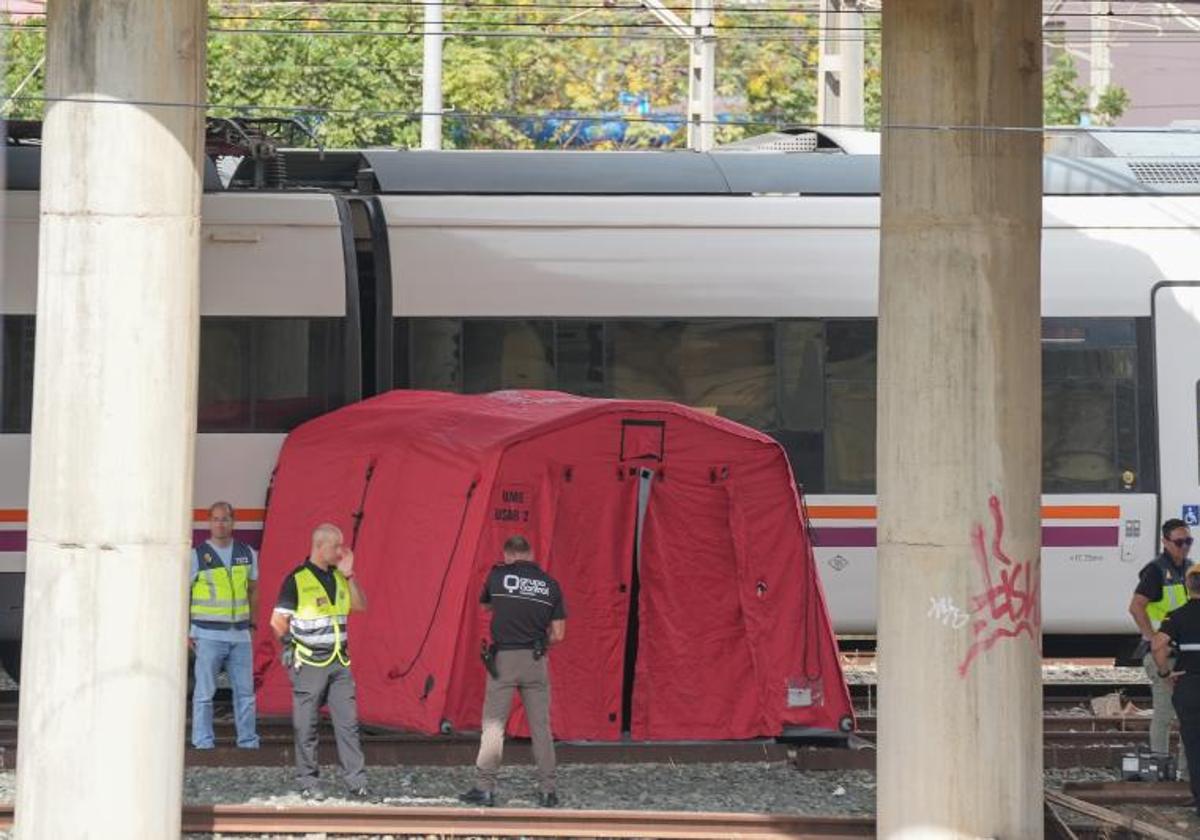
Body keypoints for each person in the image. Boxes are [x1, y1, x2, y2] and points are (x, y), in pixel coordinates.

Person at [459, 535, 567, 808]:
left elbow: (484, 606)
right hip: (536, 659)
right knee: (541, 728)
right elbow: (559, 633)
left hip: (504, 660)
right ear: (530, 554)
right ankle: (548, 790)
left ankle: (485, 788)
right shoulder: (551, 585)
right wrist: (542, 641)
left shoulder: (498, 577)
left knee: (494, 726)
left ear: (508, 555)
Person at [270, 523, 372, 800]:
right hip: (309, 663)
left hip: (339, 662)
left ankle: (356, 782)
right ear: (320, 546)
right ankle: (309, 782)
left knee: (348, 724)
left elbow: (361, 605)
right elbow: (278, 620)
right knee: (307, 725)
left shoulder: (340, 577)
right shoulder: (297, 579)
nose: (341, 552)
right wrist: (288, 645)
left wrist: (350, 575)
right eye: (336, 546)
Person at [189, 501, 260, 750]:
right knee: (205, 695)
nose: (221, 523)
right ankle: (203, 742)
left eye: (225, 519)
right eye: (216, 519)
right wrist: (186, 631)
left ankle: (249, 743)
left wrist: (252, 623)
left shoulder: (247, 553)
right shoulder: (197, 556)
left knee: (245, 695)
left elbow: (253, 590)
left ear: (233, 522)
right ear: (209, 522)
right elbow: (183, 594)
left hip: (240, 635)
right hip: (207, 635)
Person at [1130, 517, 1194, 776]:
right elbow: (1136, 606)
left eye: (1188, 541)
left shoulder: (1189, 568)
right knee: (1166, 713)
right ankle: (1159, 768)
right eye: (1179, 542)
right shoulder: (1156, 570)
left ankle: (1183, 774)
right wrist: (1152, 638)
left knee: (1186, 715)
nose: (1185, 547)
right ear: (1165, 542)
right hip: (1162, 654)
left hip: (1182, 652)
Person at [1152, 564, 1200, 814]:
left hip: (1189, 685)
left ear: (1187, 587)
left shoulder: (1176, 615)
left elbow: (1157, 645)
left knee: (1193, 743)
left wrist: (1164, 673)